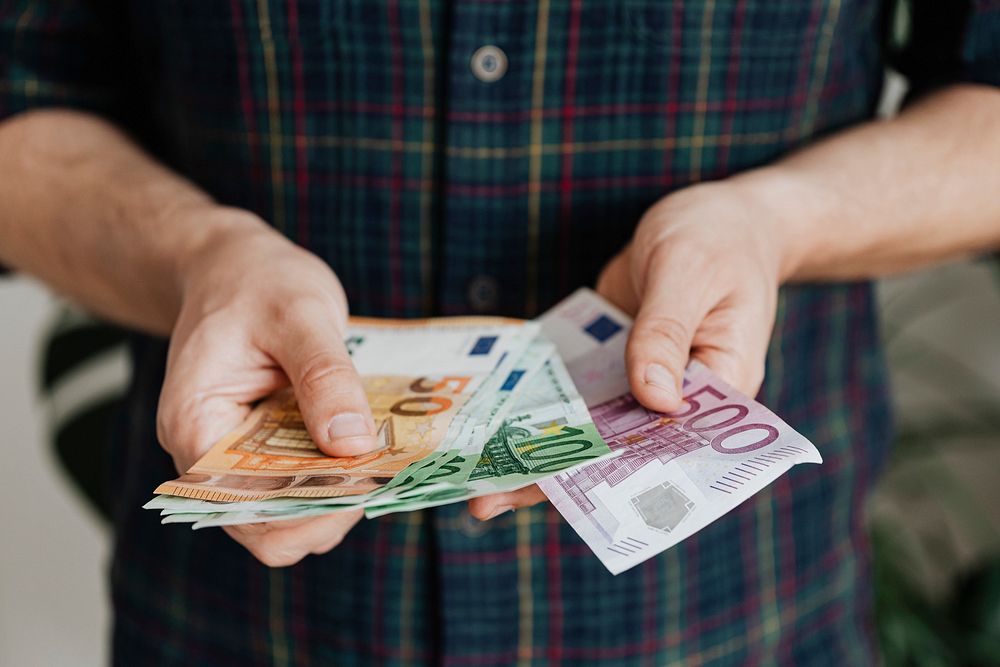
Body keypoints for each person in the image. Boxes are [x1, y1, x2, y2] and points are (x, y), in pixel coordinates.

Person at [1, 1, 998, 664]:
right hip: (236, 627)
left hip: (740, 617)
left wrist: (776, 222)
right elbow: (21, 95)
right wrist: (193, 255)